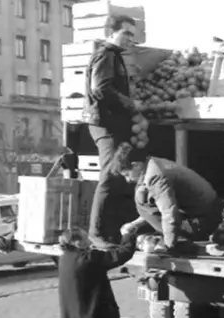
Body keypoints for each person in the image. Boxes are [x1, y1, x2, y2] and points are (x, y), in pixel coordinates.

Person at [84, 14, 143, 247]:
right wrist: (129, 104)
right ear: (111, 32)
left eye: (132, 35)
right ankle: (95, 233)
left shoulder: (115, 56)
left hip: (113, 125)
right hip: (105, 125)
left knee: (118, 178)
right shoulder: (106, 55)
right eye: (126, 33)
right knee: (109, 177)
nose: (130, 39)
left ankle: (112, 231)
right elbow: (100, 88)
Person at [111, 143, 224, 254]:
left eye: (127, 175)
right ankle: (175, 238)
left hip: (203, 221)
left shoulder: (155, 176)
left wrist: (169, 245)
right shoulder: (153, 163)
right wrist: (135, 224)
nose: (128, 180)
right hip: (207, 213)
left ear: (136, 165)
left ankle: (181, 243)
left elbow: (169, 212)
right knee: (143, 198)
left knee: (141, 202)